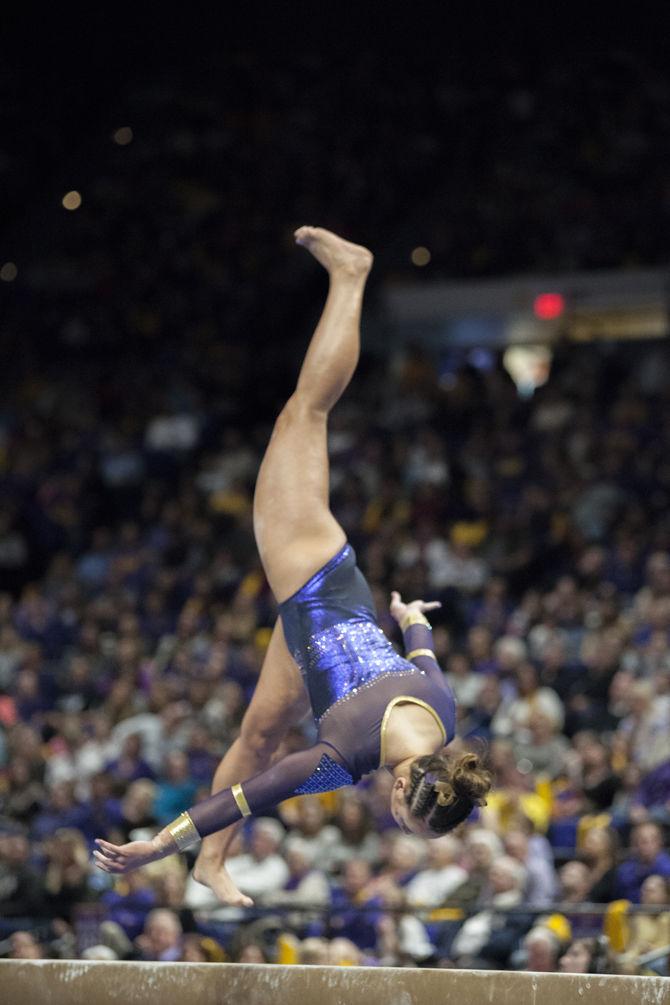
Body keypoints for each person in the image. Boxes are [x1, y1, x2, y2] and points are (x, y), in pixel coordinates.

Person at [93, 227, 492, 902]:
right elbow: (250, 796)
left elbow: (424, 659)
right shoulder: (348, 758)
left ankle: (210, 865)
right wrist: (155, 844)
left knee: (260, 731)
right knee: (305, 413)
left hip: (322, 616)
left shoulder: (444, 717)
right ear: (404, 787)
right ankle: (351, 276)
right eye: (405, 819)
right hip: (308, 574)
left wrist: (412, 617)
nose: (395, 824)